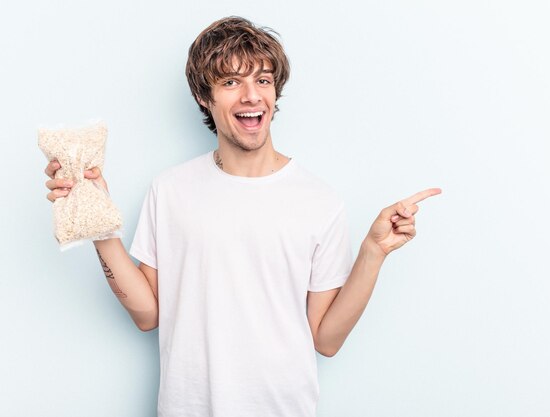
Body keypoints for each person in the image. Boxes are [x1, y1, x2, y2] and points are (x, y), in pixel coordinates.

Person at [43, 16, 441, 417]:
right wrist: (98, 221)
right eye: (232, 82)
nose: (252, 96)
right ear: (205, 96)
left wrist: (373, 251)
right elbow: (147, 314)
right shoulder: (171, 189)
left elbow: (326, 340)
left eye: (263, 80)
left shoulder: (320, 201)